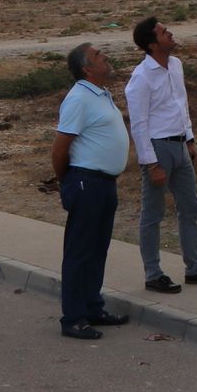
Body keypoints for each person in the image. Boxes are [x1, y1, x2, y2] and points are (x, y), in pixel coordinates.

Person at [125, 17, 197, 293]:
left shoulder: (176, 65)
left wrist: (190, 138)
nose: (170, 34)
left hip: (180, 145)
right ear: (151, 43)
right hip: (158, 149)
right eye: (163, 32)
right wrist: (151, 162)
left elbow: (181, 104)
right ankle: (153, 274)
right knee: (153, 213)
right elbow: (139, 124)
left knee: (190, 207)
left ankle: (194, 268)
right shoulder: (141, 77)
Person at [51, 42, 131, 340]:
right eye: (98, 55)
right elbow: (60, 148)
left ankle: (93, 307)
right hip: (86, 182)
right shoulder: (79, 99)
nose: (105, 56)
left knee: (97, 250)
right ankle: (73, 318)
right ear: (87, 68)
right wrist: (67, 181)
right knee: (80, 252)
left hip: (104, 183)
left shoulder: (100, 95)